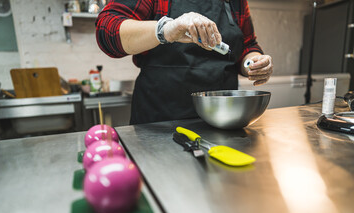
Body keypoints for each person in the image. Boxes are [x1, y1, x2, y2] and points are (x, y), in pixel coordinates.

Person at [96, 0, 273, 125]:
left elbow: (247, 46)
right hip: (159, 123)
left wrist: (252, 62)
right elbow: (108, 29)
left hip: (224, 119)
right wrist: (165, 30)